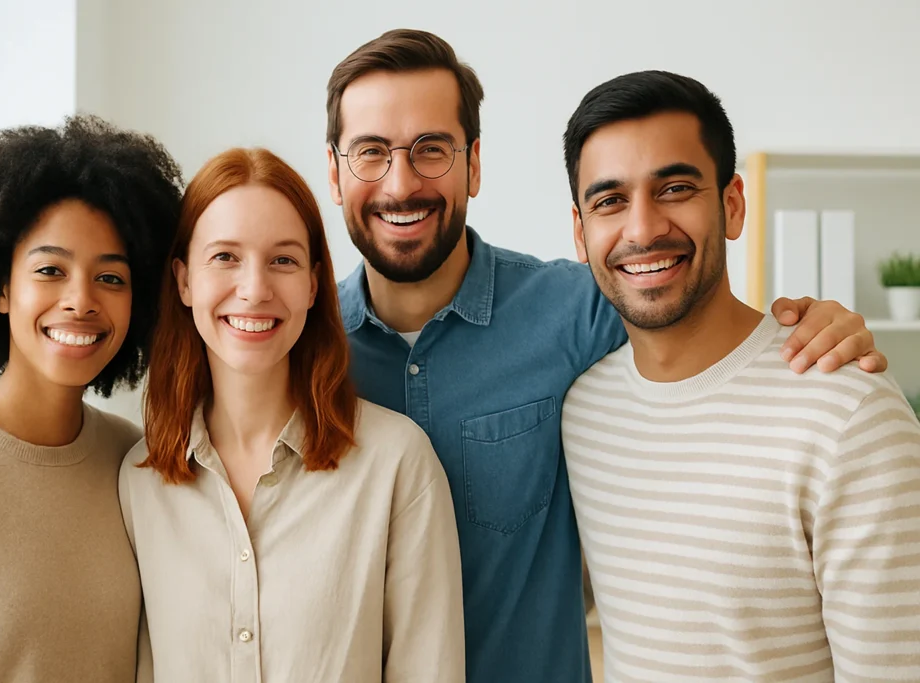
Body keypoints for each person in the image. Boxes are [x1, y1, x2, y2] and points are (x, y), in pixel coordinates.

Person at [325, 29, 889, 682]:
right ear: (335, 173)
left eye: (431, 149)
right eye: (370, 152)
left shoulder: (577, 310)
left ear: (474, 164)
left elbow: (687, 307)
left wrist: (812, 325)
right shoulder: (302, 348)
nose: (400, 183)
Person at [561, 70, 920, 681]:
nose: (642, 229)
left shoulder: (849, 415)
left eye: (675, 188)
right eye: (610, 201)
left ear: (732, 205)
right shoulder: (583, 412)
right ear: (580, 232)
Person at [118, 147, 464, 683]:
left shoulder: (396, 464)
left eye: (283, 260)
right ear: (184, 281)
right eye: (225, 257)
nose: (255, 290)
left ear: (312, 284)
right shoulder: (140, 482)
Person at [0, 115, 183, 682]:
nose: (81, 300)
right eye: (51, 270)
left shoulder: (136, 463)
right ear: (2, 287)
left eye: (111, 278)